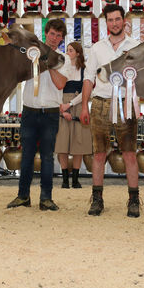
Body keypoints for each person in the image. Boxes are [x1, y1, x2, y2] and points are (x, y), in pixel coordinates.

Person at [80, 3, 141, 217]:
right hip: (100, 103)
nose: (114, 23)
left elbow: (142, 77)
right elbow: (88, 78)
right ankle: (97, 200)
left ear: (124, 21)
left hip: (126, 104)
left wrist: (136, 102)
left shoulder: (135, 46)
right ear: (106, 22)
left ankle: (134, 200)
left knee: (129, 155)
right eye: (111, 20)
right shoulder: (97, 48)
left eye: (117, 19)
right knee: (98, 154)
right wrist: (84, 106)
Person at [7, 19, 67, 211]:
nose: (54, 38)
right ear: (46, 34)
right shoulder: (31, 54)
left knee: (48, 157)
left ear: (62, 39)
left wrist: (47, 61)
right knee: (27, 156)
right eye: (52, 34)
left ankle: (46, 198)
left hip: (50, 113)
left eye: (58, 36)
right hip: (29, 111)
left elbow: (61, 84)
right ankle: (23, 196)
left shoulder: (63, 58)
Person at [55, 41, 92, 189]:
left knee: (79, 144)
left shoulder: (85, 69)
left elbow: (87, 92)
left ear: (78, 53)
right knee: (62, 144)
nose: (68, 53)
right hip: (62, 107)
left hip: (78, 107)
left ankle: (75, 180)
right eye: (67, 50)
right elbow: (56, 89)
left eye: (71, 50)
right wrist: (62, 110)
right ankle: (65, 180)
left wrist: (70, 105)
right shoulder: (62, 68)